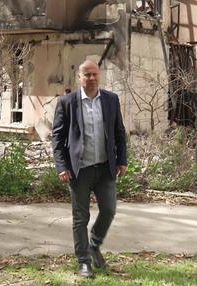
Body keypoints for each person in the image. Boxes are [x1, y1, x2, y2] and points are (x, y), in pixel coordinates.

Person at [51, 60, 127, 278]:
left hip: (105, 168)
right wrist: (62, 166)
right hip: (79, 170)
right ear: (80, 77)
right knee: (80, 218)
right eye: (87, 75)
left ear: (99, 75)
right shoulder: (67, 102)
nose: (92, 78)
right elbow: (57, 138)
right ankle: (84, 261)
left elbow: (119, 132)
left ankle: (94, 244)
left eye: (95, 74)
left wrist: (122, 160)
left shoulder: (111, 100)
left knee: (109, 210)